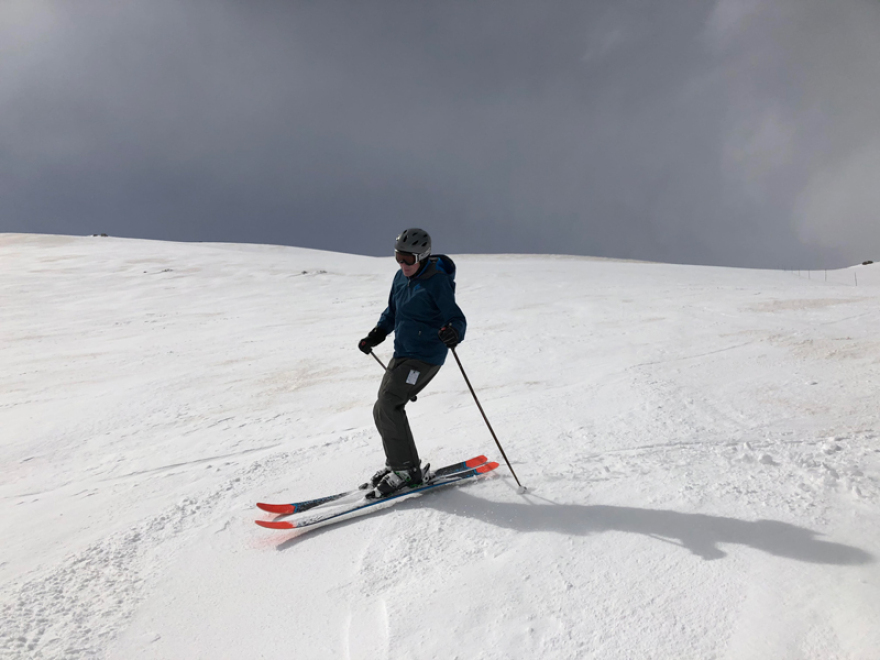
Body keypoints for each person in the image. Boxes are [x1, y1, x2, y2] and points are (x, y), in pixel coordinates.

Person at [358, 228, 467, 498]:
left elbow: (456, 318)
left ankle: (407, 470)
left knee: (390, 404)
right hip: (402, 353)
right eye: (398, 257)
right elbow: (393, 312)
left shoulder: (436, 282)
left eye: (408, 259)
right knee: (380, 408)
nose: (403, 264)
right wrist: (376, 334)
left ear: (423, 256)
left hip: (426, 356)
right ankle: (397, 464)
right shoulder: (400, 278)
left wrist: (454, 331)